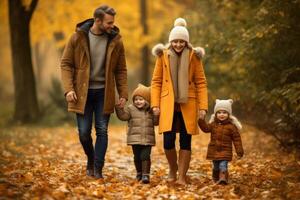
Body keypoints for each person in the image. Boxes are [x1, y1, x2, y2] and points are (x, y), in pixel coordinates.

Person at [60, 5, 128, 179]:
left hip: (104, 93)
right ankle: (91, 159)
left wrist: (123, 94)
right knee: (83, 133)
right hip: (82, 93)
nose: (112, 26)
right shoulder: (77, 38)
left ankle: (97, 168)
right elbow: (66, 64)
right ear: (97, 21)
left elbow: (121, 70)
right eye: (109, 22)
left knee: (102, 130)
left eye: (113, 22)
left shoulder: (116, 41)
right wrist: (69, 89)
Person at [151, 18, 208, 185]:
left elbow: (201, 82)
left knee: (185, 140)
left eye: (181, 41)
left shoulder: (194, 57)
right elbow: (156, 82)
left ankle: (182, 176)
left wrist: (203, 107)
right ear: (171, 41)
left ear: (186, 42)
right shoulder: (162, 56)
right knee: (168, 141)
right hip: (167, 104)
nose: (178, 44)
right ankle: (172, 168)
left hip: (188, 104)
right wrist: (155, 105)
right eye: (175, 41)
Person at [115, 84, 159, 184]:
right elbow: (124, 117)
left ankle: (145, 175)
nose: (138, 101)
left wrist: (156, 115)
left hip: (148, 139)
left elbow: (156, 123)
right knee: (137, 157)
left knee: (145, 156)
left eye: (141, 99)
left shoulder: (151, 111)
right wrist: (119, 109)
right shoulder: (131, 109)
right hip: (135, 139)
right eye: (136, 99)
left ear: (147, 100)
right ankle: (139, 173)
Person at [198, 99, 244, 184]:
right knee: (216, 167)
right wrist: (201, 121)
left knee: (223, 165)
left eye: (224, 112)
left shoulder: (231, 127)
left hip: (225, 150)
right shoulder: (213, 124)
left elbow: (237, 139)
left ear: (228, 114)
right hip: (214, 150)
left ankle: (223, 179)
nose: (221, 115)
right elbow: (206, 129)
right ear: (215, 114)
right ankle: (215, 178)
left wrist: (239, 151)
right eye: (219, 112)